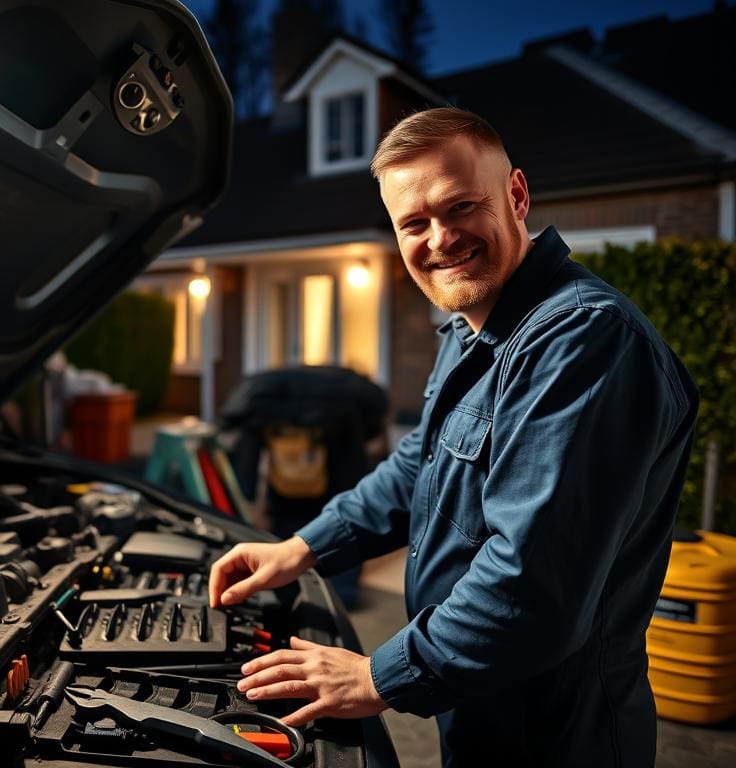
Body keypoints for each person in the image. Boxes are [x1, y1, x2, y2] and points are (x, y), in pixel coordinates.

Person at [208, 107, 698, 767]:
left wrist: (379, 675)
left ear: (516, 196)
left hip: (556, 736)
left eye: (461, 206)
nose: (440, 239)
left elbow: (532, 583)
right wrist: (301, 546)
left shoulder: (582, 341)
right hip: (476, 706)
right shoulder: (471, 327)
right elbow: (421, 466)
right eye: (413, 222)